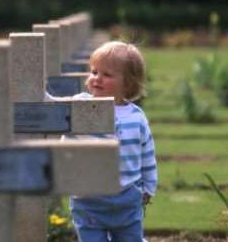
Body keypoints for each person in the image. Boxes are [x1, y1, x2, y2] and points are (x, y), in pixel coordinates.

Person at [65, 41, 158, 242]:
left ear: (128, 83)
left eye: (106, 75)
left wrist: (149, 186)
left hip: (127, 197)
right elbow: (60, 125)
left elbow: (147, 153)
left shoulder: (136, 117)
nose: (97, 79)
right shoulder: (81, 105)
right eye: (94, 72)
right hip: (88, 199)